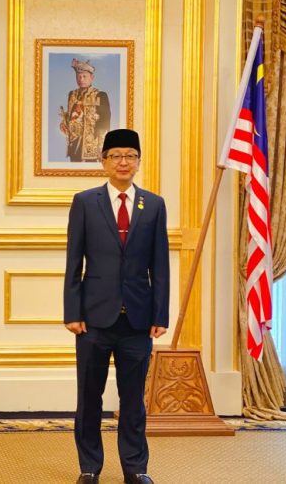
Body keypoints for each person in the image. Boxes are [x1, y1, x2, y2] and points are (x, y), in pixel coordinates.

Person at [63, 129, 169, 484]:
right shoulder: (85, 202)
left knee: (133, 400)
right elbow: (74, 261)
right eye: (116, 155)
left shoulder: (153, 205)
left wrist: (160, 314)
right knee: (89, 397)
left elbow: (160, 265)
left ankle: (136, 468)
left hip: (138, 320)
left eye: (130, 156)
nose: (124, 162)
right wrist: (72, 312)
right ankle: (89, 467)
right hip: (93, 318)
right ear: (104, 162)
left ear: (138, 162)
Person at [59, 58, 111, 162]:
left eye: (84, 76)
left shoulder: (100, 95)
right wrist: (64, 123)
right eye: (78, 76)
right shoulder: (72, 94)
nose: (81, 79)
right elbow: (71, 115)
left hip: (91, 142)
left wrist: (101, 145)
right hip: (74, 142)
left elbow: (105, 121)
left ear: (92, 77)